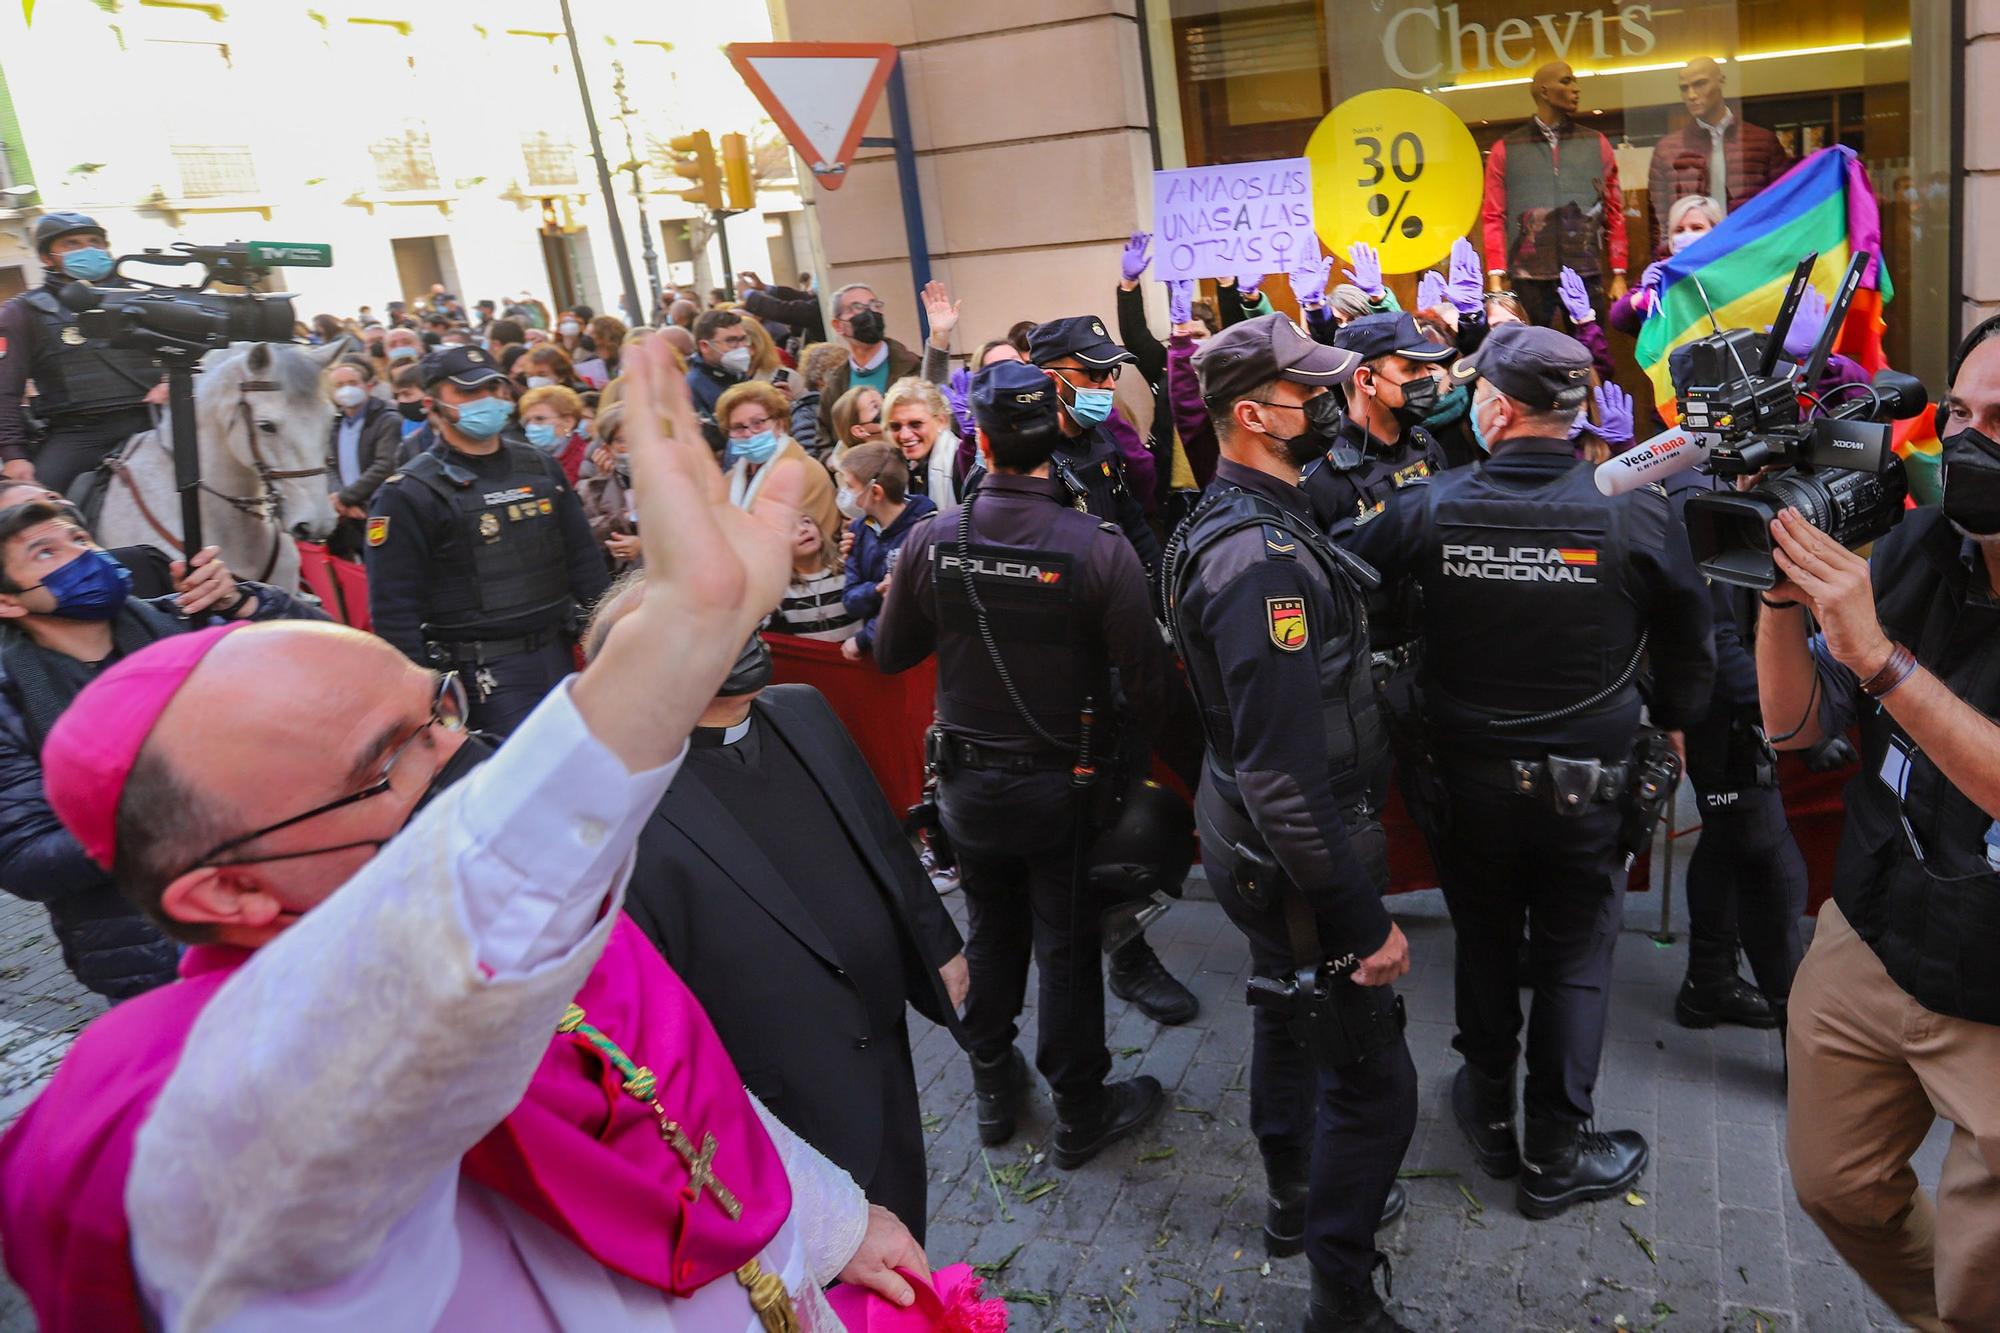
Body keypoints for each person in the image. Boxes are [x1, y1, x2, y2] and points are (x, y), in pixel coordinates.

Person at [0, 336, 946, 1330]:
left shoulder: (549, 933)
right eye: (386, 760)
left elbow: (681, 1096)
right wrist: (665, 655)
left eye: (441, 710)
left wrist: (833, 1224)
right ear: (226, 893)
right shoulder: (175, 1124)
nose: (460, 763)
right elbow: (447, 952)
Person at [1344, 323, 1714, 1222]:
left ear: (1499, 409)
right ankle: (1553, 1145)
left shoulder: (1428, 505)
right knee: (1576, 953)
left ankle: (1490, 1104)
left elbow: (1345, 580)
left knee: (1484, 934)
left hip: (1464, 786)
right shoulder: (1636, 507)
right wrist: (1672, 725)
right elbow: (1692, 646)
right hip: (1591, 788)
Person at [1163, 314, 1415, 1331]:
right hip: (1290, 850)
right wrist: (1366, 925)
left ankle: (1287, 1194)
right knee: (1374, 1087)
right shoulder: (1258, 562)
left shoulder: (1249, 512)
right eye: (1305, 395)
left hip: (1251, 840)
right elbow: (1278, 772)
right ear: (1250, 413)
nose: (1322, 406)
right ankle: (1338, 1292)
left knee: (1282, 1005)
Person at [876, 358, 1176, 1171]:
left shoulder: (933, 541)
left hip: (969, 787)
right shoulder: (1098, 547)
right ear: (1057, 432)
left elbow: (892, 651)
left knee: (993, 929)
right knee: (1067, 944)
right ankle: (1081, 1109)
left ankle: (992, 1087)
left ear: (978, 436)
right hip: (1065, 787)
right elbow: (1149, 683)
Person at [1761, 315, 2000, 1331]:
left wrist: (1880, 661)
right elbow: (1796, 729)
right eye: (1960, 411)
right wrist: (1773, 600)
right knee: (1834, 1186)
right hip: (1873, 923)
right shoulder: (1920, 543)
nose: (1969, 439)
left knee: (1982, 1269)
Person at [606, 605, 968, 1239]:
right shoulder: (627, 808)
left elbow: (879, 834)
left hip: (882, 1043)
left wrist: (938, 944)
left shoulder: (802, 708)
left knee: (907, 1225)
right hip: (779, 1091)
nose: (743, 633)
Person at [0, 503, 318, 1001]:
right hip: (156, 951)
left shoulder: (190, 619)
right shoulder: (10, 700)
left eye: (81, 539)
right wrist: (170, 815)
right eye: (45, 553)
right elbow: (25, 856)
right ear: (8, 602)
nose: (80, 556)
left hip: (290, 902)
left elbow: (327, 657)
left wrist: (245, 604)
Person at [365, 345, 608, 735]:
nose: (486, 399)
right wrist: (421, 698)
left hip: (559, 653)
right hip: (483, 676)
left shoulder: (539, 467)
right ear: (432, 404)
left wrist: (609, 640)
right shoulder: (409, 493)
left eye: (493, 388)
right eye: (468, 391)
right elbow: (395, 610)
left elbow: (584, 561)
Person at [1659, 467, 1801, 1032]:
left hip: (1743, 708)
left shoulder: (1747, 489)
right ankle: (1802, 1031)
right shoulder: (1691, 499)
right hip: (1727, 714)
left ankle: (1707, 984)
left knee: (1725, 843)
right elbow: (1709, 636)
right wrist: (1781, 705)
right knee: (1774, 866)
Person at [0, 213, 163, 493]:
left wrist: (170, 383)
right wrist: (13, 455)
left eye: (94, 242)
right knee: (34, 506)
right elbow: (5, 391)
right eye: (71, 244)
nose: (87, 250)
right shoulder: (21, 313)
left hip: (155, 420)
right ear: (47, 258)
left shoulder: (145, 300)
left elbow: (198, 355)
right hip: (81, 433)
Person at [1478, 62, 1630, 330]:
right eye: (1567, 81)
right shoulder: (1507, 149)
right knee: (1530, 354)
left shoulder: (1596, 144)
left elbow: (1614, 210)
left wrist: (1619, 272)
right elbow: (1493, 216)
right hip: (1529, 274)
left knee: (1590, 352)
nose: (1576, 88)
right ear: (1545, 92)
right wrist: (1496, 280)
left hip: (1584, 269)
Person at [1026, 317, 1163, 579]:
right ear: (1053, 381)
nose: (1110, 384)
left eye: (1112, 372)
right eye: (1096, 373)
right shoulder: (1029, 459)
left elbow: (1133, 522)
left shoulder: (1104, 439)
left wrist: (1159, 590)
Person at [1301, 313, 1455, 533]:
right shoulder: (1323, 480)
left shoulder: (1425, 444)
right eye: (1412, 369)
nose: (1426, 378)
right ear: (1366, 380)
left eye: (1426, 368)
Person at [1646, 57, 1792, 249]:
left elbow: (1784, 207)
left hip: (1752, 255)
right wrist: (1665, 266)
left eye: (1700, 84)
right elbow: (1660, 221)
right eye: (1684, 88)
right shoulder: (1667, 150)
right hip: (1693, 261)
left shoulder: (1762, 142)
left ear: (1721, 81)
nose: (1691, 95)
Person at [835, 443, 936, 663]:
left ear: (876, 492)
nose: (844, 493)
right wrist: (875, 590)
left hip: (920, 655)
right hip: (883, 651)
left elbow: (911, 609)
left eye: (850, 486)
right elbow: (851, 601)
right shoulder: (858, 530)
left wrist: (865, 638)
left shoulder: (924, 530)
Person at [718, 380, 840, 549]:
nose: (748, 433)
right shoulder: (729, 480)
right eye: (738, 427)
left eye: (757, 423)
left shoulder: (808, 472)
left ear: (779, 424)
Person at [815, 285, 922, 447]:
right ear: (838, 325)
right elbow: (824, 441)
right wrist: (835, 461)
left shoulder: (912, 367)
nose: (869, 313)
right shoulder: (834, 386)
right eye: (857, 307)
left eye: (874, 305)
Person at [326, 356, 404, 558]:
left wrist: (345, 498)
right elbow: (329, 465)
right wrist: (341, 502)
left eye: (352, 383)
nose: (346, 389)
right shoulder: (335, 423)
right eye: (339, 385)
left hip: (378, 509)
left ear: (368, 386)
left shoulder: (387, 419)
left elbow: (386, 464)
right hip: (349, 513)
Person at [883, 376, 972, 509]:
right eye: (896, 427)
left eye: (915, 424)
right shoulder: (895, 467)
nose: (905, 435)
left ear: (942, 421)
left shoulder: (962, 462)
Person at [768, 512, 860, 642]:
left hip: (857, 657)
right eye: (790, 528)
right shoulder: (780, 590)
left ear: (821, 534)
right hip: (814, 660)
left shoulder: (847, 569)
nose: (803, 529)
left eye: (806, 521)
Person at [577, 405, 639, 574]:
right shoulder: (595, 484)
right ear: (607, 449)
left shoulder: (673, 476)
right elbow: (590, 534)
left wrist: (644, 545)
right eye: (621, 441)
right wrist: (602, 482)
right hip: (625, 579)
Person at [516, 383, 590, 484]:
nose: (531, 426)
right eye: (527, 421)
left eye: (539, 419)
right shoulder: (525, 459)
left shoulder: (586, 458)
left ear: (568, 422)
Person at [687, 308, 752, 420]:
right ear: (705, 346)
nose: (741, 347)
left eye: (743, 339)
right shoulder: (692, 388)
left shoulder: (737, 375)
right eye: (731, 341)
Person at [829, 384, 885, 467]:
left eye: (883, 400)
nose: (886, 407)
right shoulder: (865, 472)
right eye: (875, 406)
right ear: (859, 431)